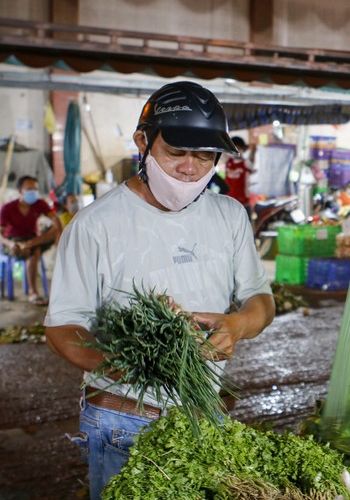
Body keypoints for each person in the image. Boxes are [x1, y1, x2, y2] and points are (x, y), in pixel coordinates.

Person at [43, 81, 276, 498]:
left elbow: (261, 300)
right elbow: (62, 327)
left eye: (205, 156)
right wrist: (132, 363)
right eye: (176, 152)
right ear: (143, 142)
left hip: (203, 414)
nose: (190, 168)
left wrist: (237, 325)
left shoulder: (230, 215)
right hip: (123, 420)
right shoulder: (95, 225)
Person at [0, 175, 62, 305]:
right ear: (20, 191)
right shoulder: (7, 208)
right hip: (13, 241)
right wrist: (11, 244)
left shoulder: (40, 204)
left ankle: (28, 245)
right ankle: (33, 292)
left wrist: (60, 234)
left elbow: (55, 221)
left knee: (51, 232)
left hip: (33, 239)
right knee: (34, 252)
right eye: (29, 189)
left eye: (35, 189)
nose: (33, 192)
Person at [223, 136, 255, 216]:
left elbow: (251, 159)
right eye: (233, 148)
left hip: (243, 203)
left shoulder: (246, 164)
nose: (236, 151)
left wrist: (253, 149)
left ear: (243, 149)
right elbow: (220, 150)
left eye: (238, 148)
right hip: (228, 202)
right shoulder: (228, 161)